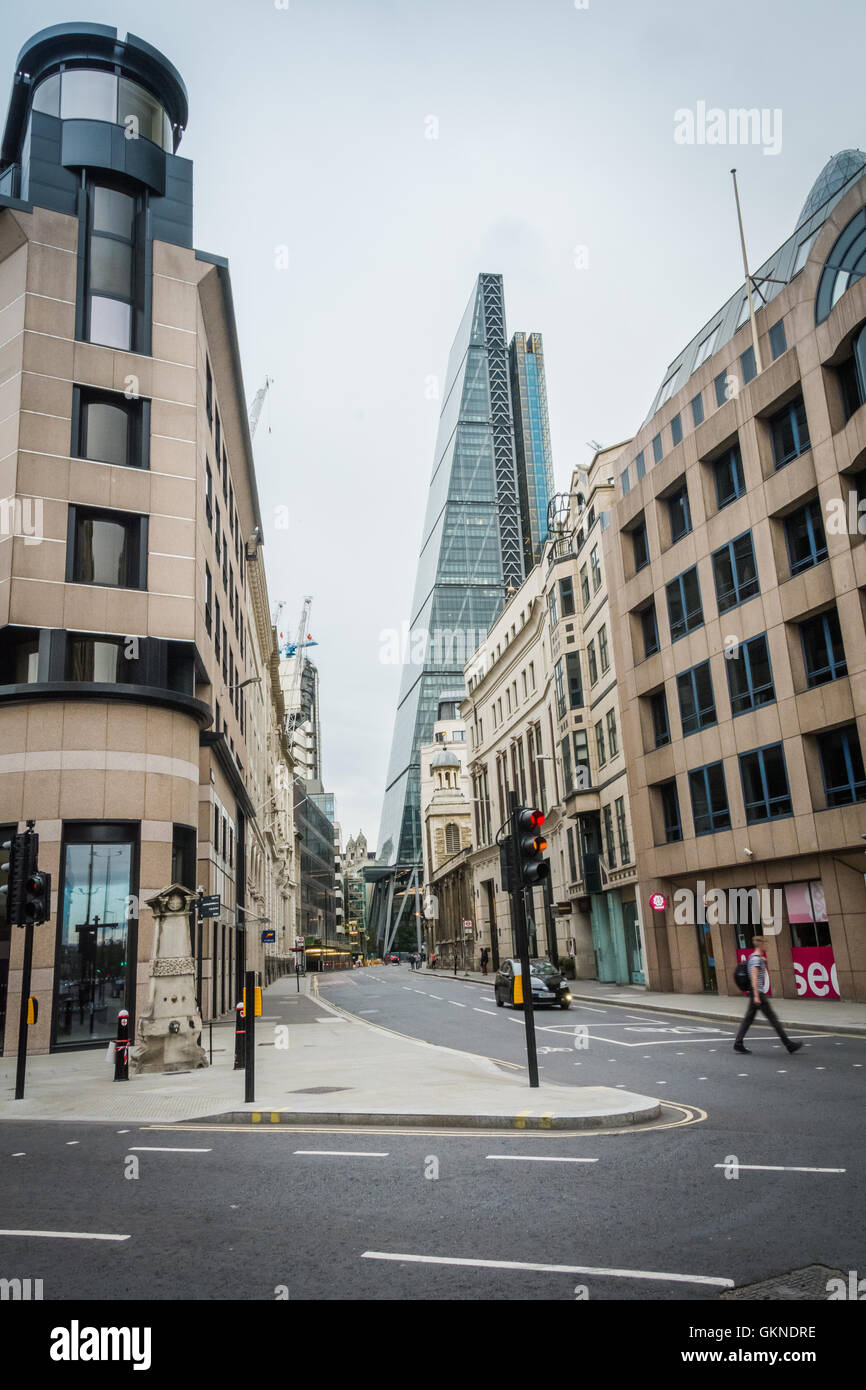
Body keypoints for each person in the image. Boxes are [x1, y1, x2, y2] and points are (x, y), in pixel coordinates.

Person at [734, 936, 802, 1056]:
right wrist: (756, 995)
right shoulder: (755, 959)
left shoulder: (754, 957)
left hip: (755, 993)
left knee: (748, 1019)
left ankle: (738, 1043)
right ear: (761, 944)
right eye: (766, 943)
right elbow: (754, 977)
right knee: (773, 1019)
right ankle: (788, 1044)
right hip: (758, 993)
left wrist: (762, 961)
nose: (767, 945)